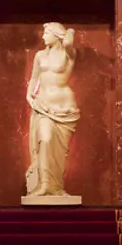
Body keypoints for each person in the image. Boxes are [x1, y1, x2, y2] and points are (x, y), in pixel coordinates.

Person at [25, 23, 80, 197]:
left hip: (64, 107)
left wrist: (69, 31)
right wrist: (29, 94)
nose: (42, 37)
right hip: (43, 104)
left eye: (46, 33)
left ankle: (57, 187)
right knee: (45, 140)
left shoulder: (68, 54)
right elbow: (34, 78)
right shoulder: (39, 56)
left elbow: (70, 43)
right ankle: (44, 185)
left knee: (59, 152)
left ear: (57, 36)